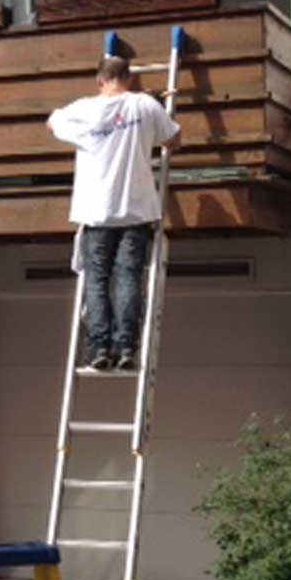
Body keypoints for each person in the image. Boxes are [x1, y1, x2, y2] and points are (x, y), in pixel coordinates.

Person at [48, 56, 182, 371]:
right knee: (129, 278)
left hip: (96, 213)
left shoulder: (84, 109)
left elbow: (52, 122)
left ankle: (99, 348)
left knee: (96, 280)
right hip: (135, 212)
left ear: (100, 81)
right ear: (129, 79)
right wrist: (155, 108)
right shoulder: (144, 106)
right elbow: (174, 139)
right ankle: (126, 348)